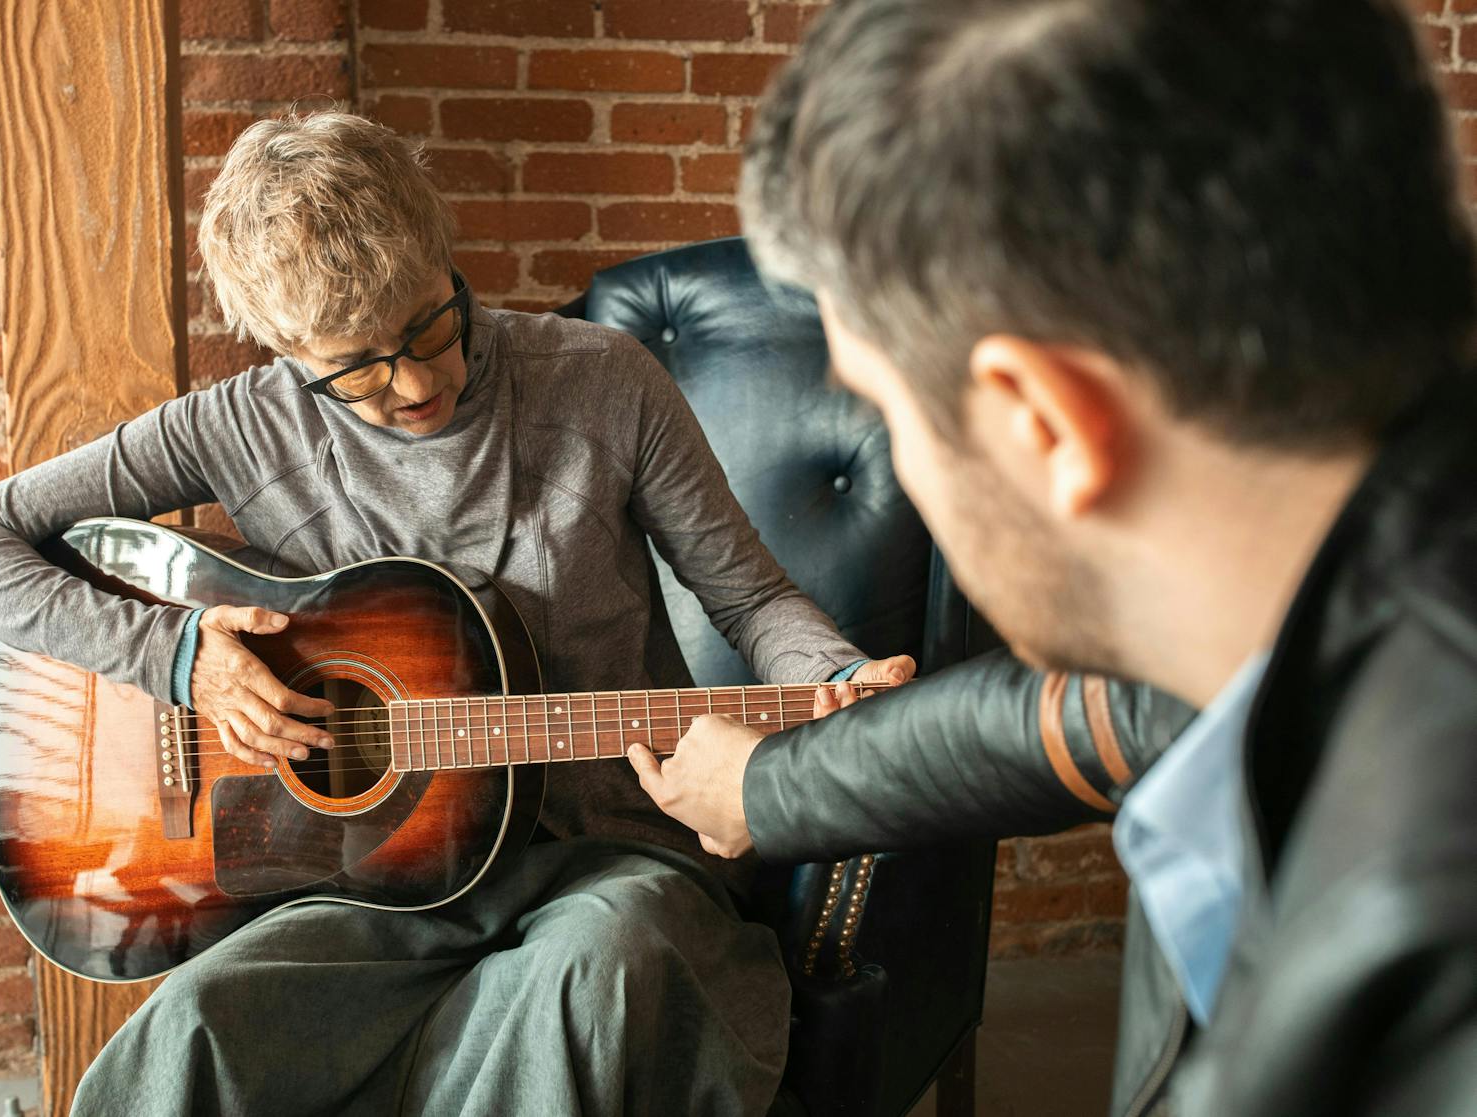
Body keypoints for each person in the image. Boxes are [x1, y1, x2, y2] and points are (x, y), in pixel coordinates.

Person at [0, 111, 916, 1115]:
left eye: (432, 322)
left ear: (443, 256)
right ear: (287, 353)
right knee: (197, 1027)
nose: (419, 380)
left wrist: (833, 679)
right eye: (358, 367)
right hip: (373, 885)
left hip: (615, 855)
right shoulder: (237, 426)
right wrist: (180, 657)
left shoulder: (604, 380)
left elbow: (748, 595)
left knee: (587, 976)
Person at [629, 1, 1477, 1113]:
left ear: (1044, 422)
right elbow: (1076, 717)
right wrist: (765, 784)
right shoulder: (1298, 596)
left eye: (887, 411)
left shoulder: (1415, 962)